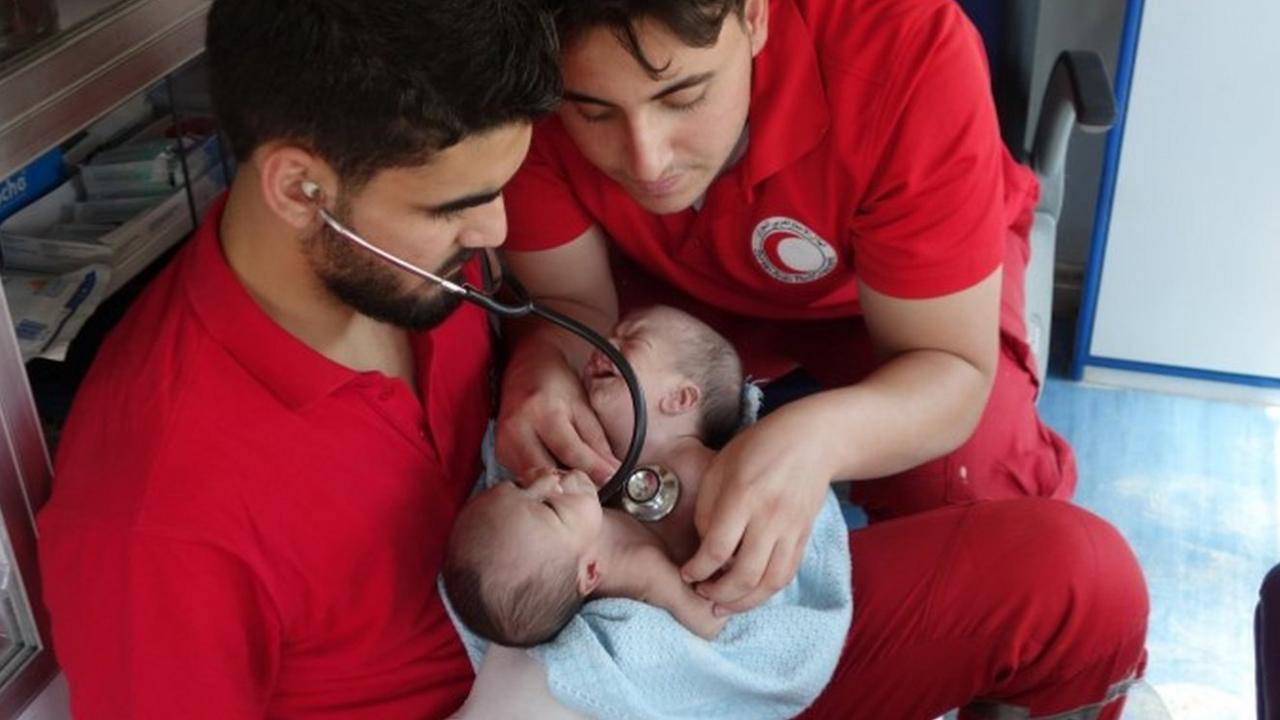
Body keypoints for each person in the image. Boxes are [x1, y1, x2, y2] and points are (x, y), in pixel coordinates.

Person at [491, 0, 1150, 717]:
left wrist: (816, 438)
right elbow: (574, 309)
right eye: (591, 112)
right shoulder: (523, 58)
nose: (647, 160)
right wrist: (542, 367)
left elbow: (947, 365)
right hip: (656, 300)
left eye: (684, 96)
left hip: (902, 307)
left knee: (980, 498)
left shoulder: (905, 53)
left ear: (755, 17)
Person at [35, 1, 562, 717]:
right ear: (298, 189)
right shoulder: (156, 514)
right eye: (452, 206)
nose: (495, 227)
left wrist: (538, 370)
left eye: (500, 188)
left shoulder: (408, 270)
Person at [443, 305, 748, 645]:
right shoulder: (617, 557)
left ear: (680, 398)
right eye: (549, 507)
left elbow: (760, 492)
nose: (544, 475)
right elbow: (703, 618)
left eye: (629, 339)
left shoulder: (714, 464)